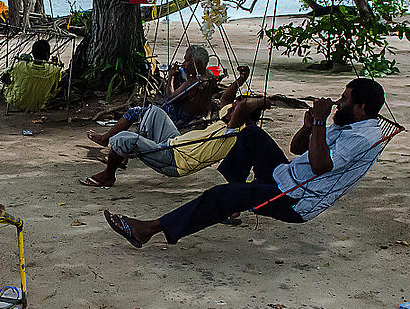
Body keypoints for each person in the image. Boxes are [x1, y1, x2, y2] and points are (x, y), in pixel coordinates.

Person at [103, 78, 387, 247]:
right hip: (287, 175)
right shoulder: (346, 121)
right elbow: (297, 148)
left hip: (297, 199)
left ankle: (149, 230)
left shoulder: (362, 138)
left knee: (219, 195)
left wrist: (322, 122)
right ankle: (236, 201)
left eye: (345, 99)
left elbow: (320, 167)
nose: (338, 102)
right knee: (251, 135)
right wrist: (309, 126)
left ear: (361, 107)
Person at [82, 72, 266, 187]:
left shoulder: (236, 132)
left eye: (235, 109)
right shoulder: (229, 118)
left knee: (123, 138)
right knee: (156, 113)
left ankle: (108, 175)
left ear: (243, 115)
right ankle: (123, 155)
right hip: (174, 142)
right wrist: (240, 80)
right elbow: (226, 99)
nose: (230, 109)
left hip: (174, 160)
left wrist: (265, 101)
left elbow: (241, 108)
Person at [88, 47, 223, 149]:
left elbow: (169, 98)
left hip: (177, 116)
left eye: (187, 60)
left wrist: (171, 77)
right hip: (193, 114)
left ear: (197, 63)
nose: (184, 63)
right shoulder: (209, 75)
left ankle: (106, 139)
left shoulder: (192, 82)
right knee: (146, 112)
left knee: (133, 112)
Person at [1, 39, 64, 112]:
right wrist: (55, 64)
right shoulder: (54, 70)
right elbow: (57, 84)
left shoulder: (20, 65)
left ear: (33, 53)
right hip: (39, 105)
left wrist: (12, 83)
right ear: (47, 55)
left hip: (16, 102)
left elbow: (4, 76)